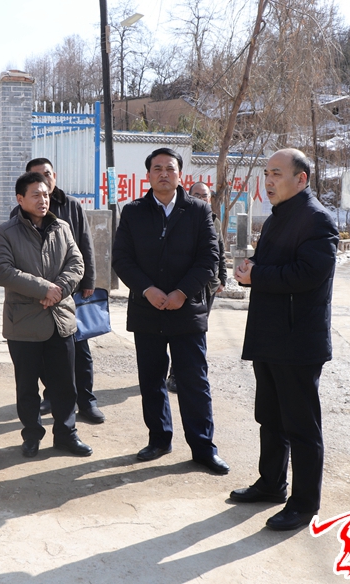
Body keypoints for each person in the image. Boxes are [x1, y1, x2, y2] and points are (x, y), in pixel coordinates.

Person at [229, 148, 338, 531]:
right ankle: (272, 483)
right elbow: (275, 267)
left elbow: (309, 274)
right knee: (271, 418)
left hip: (297, 341)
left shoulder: (317, 220)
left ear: (301, 179)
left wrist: (257, 275)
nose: (268, 181)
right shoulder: (279, 216)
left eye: (276, 173)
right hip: (270, 336)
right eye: (266, 173)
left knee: (301, 426)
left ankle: (304, 504)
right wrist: (252, 269)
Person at [112, 147, 229, 475]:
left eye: (170, 168)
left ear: (180, 175)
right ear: (148, 175)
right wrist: (147, 289)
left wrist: (182, 292)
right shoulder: (134, 211)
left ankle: (203, 448)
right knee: (151, 380)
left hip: (186, 310)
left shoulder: (198, 210)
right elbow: (122, 258)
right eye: (157, 168)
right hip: (146, 309)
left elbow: (209, 258)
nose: (164, 173)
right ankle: (159, 439)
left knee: (194, 382)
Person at [0, 171, 92, 459]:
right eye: (35, 194)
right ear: (20, 199)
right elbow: (2, 271)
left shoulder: (62, 227)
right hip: (24, 324)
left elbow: (76, 263)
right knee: (27, 387)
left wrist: (58, 290)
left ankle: (66, 434)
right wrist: (43, 289)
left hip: (60, 320)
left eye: (46, 194)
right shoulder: (6, 232)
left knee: (65, 385)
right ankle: (32, 435)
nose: (43, 200)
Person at [11, 158, 103, 423]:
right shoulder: (17, 215)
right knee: (44, 353)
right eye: (37, 176)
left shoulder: (71, 205)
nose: (44, 180)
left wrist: (88, 281)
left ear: (55, 176)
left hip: (69, 292)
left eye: (47, 174)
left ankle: (86, 401)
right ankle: (51, 397)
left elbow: (84, 244)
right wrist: (40, 290)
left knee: (79, 351)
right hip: (36, 298)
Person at [166, 181, 227, 393]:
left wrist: (222, 278)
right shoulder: (184, 218)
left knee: (198, 330)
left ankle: (194, 373)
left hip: (208, 287)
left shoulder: (214, 221)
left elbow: (220, 251)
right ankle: (175, 374)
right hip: (188, 287)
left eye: (205, 196)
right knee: (181, 331)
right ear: (189, 196)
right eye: (197, 195)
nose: (201, 199)